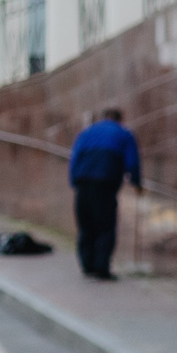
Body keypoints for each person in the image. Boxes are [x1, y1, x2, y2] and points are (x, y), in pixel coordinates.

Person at [67, 108, 141, 282]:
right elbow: (132, 161)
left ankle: (87, 265)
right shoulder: (124, 134)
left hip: (83, 183)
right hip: (106, 184)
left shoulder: (87, 133)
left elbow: (75, 158)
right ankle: (101, 266)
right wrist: (136, 182)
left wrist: (74, 182)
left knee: (86, 225)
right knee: (105, 226)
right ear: (120, 119)